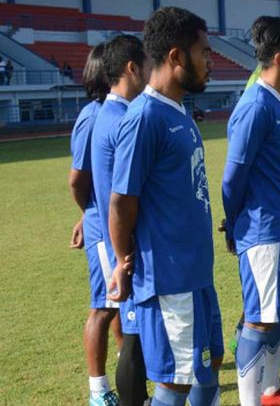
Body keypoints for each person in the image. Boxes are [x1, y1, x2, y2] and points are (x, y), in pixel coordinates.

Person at [107, 6, 223, 406]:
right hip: (170, 277)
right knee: (176, 381)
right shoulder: (144, 117)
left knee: (208, 367)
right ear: (176, 56)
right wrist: (123, 262)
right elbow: (121, 201)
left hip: (196, 271)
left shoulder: (179, 112)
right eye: (203, 53)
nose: (210, 62)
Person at [222, 16, 280, 405]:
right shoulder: (255, 106)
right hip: (264, 231)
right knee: (259, 319)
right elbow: (233, 177)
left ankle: (272, 391)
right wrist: (235, 226)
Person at [90, 34, 151, 406]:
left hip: (122, 242)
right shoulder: (121, 119)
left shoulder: (109, 115)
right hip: (126, 245)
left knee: (137, 333)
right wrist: (122, 254)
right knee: (134, 336)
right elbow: (120, 196)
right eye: (148, 63)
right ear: (132, 68)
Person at [69, 42, 122, 406]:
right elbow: (78, 179)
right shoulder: (92, 116)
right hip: (103, 226)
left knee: (120, 302)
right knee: (103, 307)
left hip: (111, 222)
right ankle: (98, 391)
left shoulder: (117, 110)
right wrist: (88, 213)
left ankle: (128, 367)